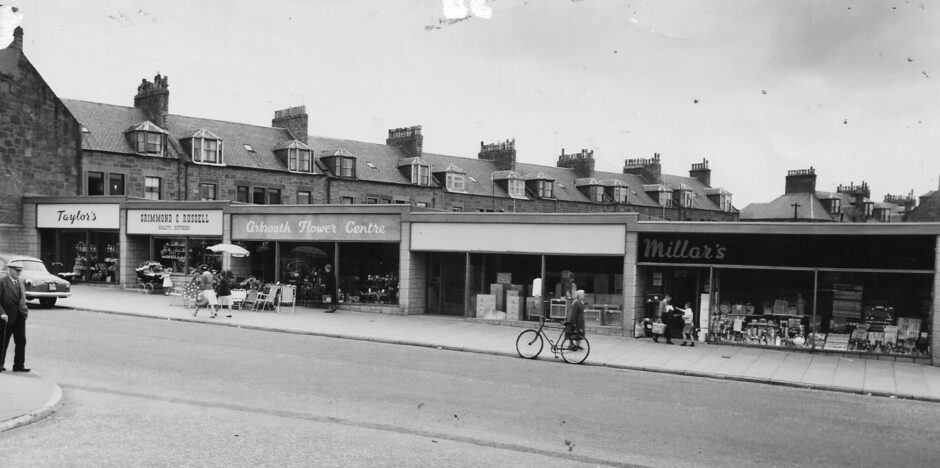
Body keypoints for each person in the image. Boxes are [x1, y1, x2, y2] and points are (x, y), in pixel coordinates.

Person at [0, 263, 30, 372]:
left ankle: (19, 365)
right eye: (17, 270)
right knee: (3, 342)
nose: (19, 273)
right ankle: (0, 364)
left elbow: (22, 297)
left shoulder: (20, 282)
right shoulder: (2, 282)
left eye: (20, 271)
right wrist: (2, 313)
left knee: (21, 341)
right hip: (6, 317)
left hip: (19, 316)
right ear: (10, 270)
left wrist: (25, 308)